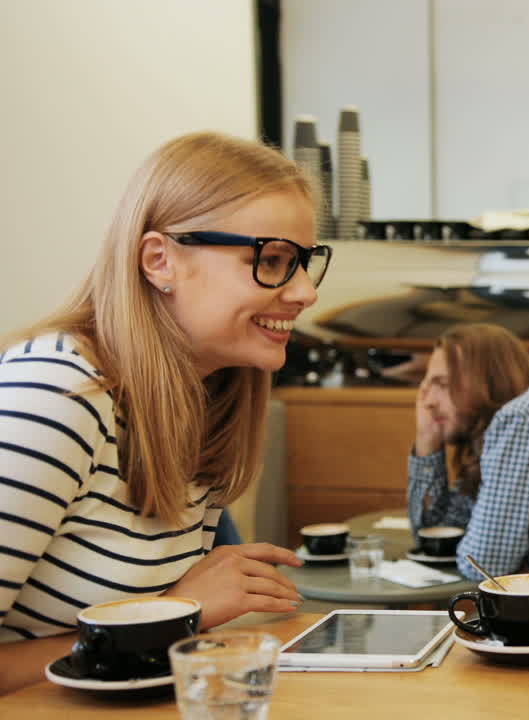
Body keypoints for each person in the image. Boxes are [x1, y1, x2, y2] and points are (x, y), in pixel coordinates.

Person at [0, 131, 331, 693]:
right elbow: (172, 619)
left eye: (304, 262)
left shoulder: (204, 401)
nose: (304, 292)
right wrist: (178, 609)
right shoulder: (56, 393)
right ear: (159, 260)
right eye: (272, 260)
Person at [408, 323, 529, 580]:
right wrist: (426, 440)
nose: (429, 402)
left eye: (442, 384)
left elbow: (485, 564)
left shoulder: (521, 417)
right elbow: (436, 538)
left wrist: (475, 551)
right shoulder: (491, 431)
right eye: (427, 387)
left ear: (485, 380)